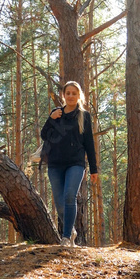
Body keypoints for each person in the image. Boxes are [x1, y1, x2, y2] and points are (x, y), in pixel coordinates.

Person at [41, 81, 98, 247]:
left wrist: (93, 168)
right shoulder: (56, 113)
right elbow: (44, 135)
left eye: (74, 93)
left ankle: (66, 238)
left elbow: (89, 144)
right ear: (63, 95)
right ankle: (70, 229)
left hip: (76, 163)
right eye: (68, 93)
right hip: (55, 163)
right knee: (59, 202)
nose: (71, 96)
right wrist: (50, 119)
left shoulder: (84, 116)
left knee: (69, 196)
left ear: (79, 95)